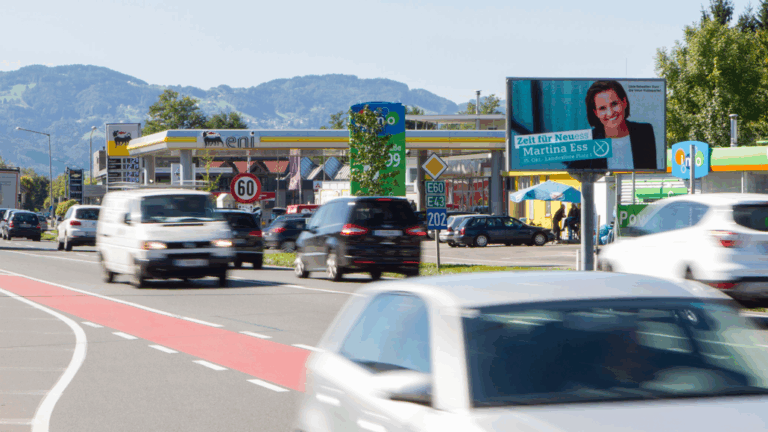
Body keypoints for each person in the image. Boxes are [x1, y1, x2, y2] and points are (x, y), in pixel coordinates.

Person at [564, 80, 657, 170]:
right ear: (596, 113)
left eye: (614, 104)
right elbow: (573, 172)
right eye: (602, 108)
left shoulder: (645, 131)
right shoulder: (588, 141)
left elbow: (650, 172)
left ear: (624, 102)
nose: (610, 113)